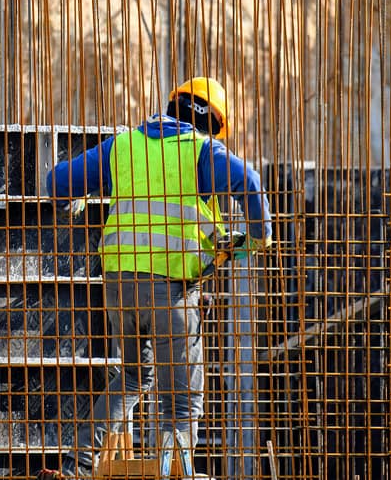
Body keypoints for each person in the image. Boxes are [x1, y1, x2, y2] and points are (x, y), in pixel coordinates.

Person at [37, 77, 272, 480]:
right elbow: (249, 182)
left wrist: (71, 200)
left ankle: (76, 468)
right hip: (172, 289)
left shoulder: (123, 146)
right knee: (181, 401)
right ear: (214, 124)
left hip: (118, 287)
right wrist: (258, 235)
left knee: (131, 377)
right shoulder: (201, 151)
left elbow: (55, 182)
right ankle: (175, 474)